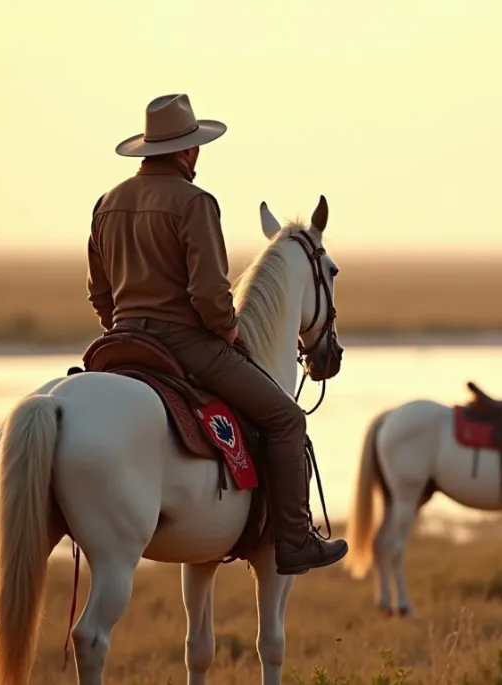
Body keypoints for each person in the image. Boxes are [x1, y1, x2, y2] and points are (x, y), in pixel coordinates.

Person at [85, 93, 348, 575]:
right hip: (186, 345)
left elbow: (100, 295)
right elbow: (209, 295)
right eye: (196, 147)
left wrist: (124, 328)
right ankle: (294, 541)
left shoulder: (108, 203)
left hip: (120, 344)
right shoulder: (195, 203)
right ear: (189, 151)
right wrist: (230, 332)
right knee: (287, 419)